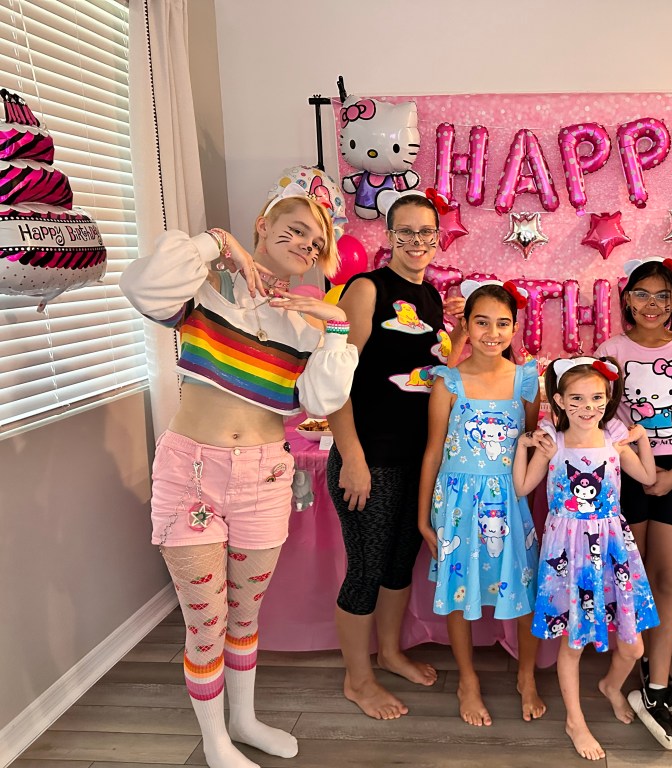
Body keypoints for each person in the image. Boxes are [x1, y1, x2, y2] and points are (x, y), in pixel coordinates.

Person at [120, 167, 357, 768]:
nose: (305, 245)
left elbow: (320, 400)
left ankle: (243, 720)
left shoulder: (304, 324)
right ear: (263, 225)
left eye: (316, 242)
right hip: (191, 473)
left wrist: (334, 327)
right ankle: (215, 741)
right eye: (295, 229)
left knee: (246, 615)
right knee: (207, 621)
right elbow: (141, 286)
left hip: (266, 478)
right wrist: (216, 242)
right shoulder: (205, 289)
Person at [326, 191, 465, 720]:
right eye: (404, 231)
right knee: (366, 569)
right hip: (370, 458)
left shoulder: (430, 298)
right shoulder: (366, 289)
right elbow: (334, 379)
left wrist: (457, 330)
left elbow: (433, 375)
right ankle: (357, 680)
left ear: (438, 238)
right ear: (388, 236)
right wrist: (352, 456)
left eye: (425, 232)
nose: (416, 241)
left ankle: (388, 653)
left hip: (416, 460)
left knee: (401, 561)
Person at [514, 357, 659, 761]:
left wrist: (642, 440)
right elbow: (523, 486)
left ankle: (611, 685)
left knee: (633, 647)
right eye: (576, 398)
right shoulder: (553, 443)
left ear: (608, 398)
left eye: (596, 397)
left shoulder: (613, 441)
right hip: (568, 552)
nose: (587, 406)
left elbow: (648, 478)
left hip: (611, 548)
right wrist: (522, 448)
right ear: (559, 401)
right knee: (573, 643)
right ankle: (575, 721)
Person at [595, 256, 672, 749]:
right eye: (641, 294)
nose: (651, 304)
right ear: (627, 299)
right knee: (631, 578)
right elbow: (599, 416)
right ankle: (628, 661)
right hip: (624, 470)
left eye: (662, 296)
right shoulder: (610, 350)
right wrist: (637, 468)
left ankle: (657, 683)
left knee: (665, 578)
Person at [418, 280, 546, 726]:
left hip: (510, 502)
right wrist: (423, 519)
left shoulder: (526, 380)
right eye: (482, 322)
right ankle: (467, 680)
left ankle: (526, 676)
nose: (493, 333)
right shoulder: (448, 382)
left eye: (503, 324)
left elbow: (529, 443)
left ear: (515, 328)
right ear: (466, 326)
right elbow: (433, 451)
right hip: (456, 504)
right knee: (459, 591)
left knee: (524, 590)